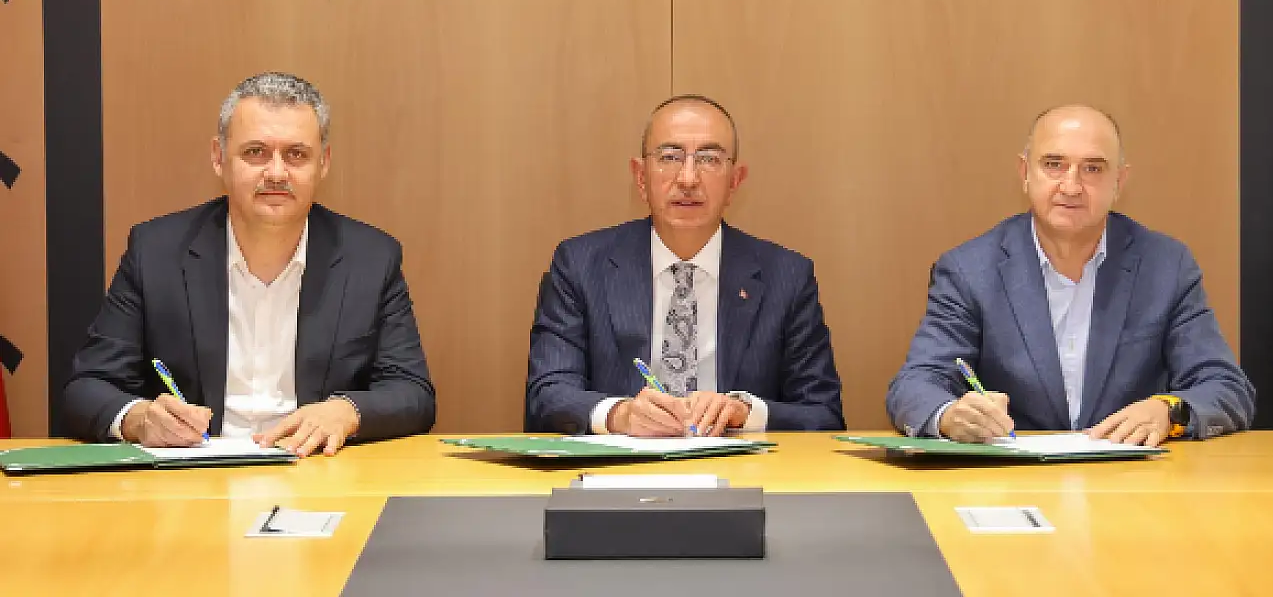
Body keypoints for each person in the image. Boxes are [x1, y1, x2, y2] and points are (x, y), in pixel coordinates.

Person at [64, 72, 436, 456]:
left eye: (296, 154)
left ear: (323, 163)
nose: (276, 173)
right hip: (194, 478)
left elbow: (412, 392)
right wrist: (140, 419)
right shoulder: (157, 252)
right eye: (256, 152)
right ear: (219, 157)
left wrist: (347, 412)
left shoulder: (371, 259)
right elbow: (87, 387)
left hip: (315, 471)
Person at [887, 104, 1255, 445]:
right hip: (1013, 478)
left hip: (1132, 477)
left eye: (1093, 168)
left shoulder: (1166, 266)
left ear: (1119, 181)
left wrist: (1168, 411)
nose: (1072, 186)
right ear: (1025, 173)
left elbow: (1226, 387)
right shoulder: (969, 271)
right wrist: (949, 415)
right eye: (1054, 164)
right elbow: (915, 384)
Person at [526, 95, 845, 436]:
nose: (689, 178)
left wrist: (746, 413)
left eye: (709, 159)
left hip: (742, 466)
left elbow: (823, 414)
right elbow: (547, 394)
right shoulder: (580, 265)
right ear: (640, 177)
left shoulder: (787, 276)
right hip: (621, 466)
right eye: (669, 157)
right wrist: (621, 415)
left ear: (735, 181)